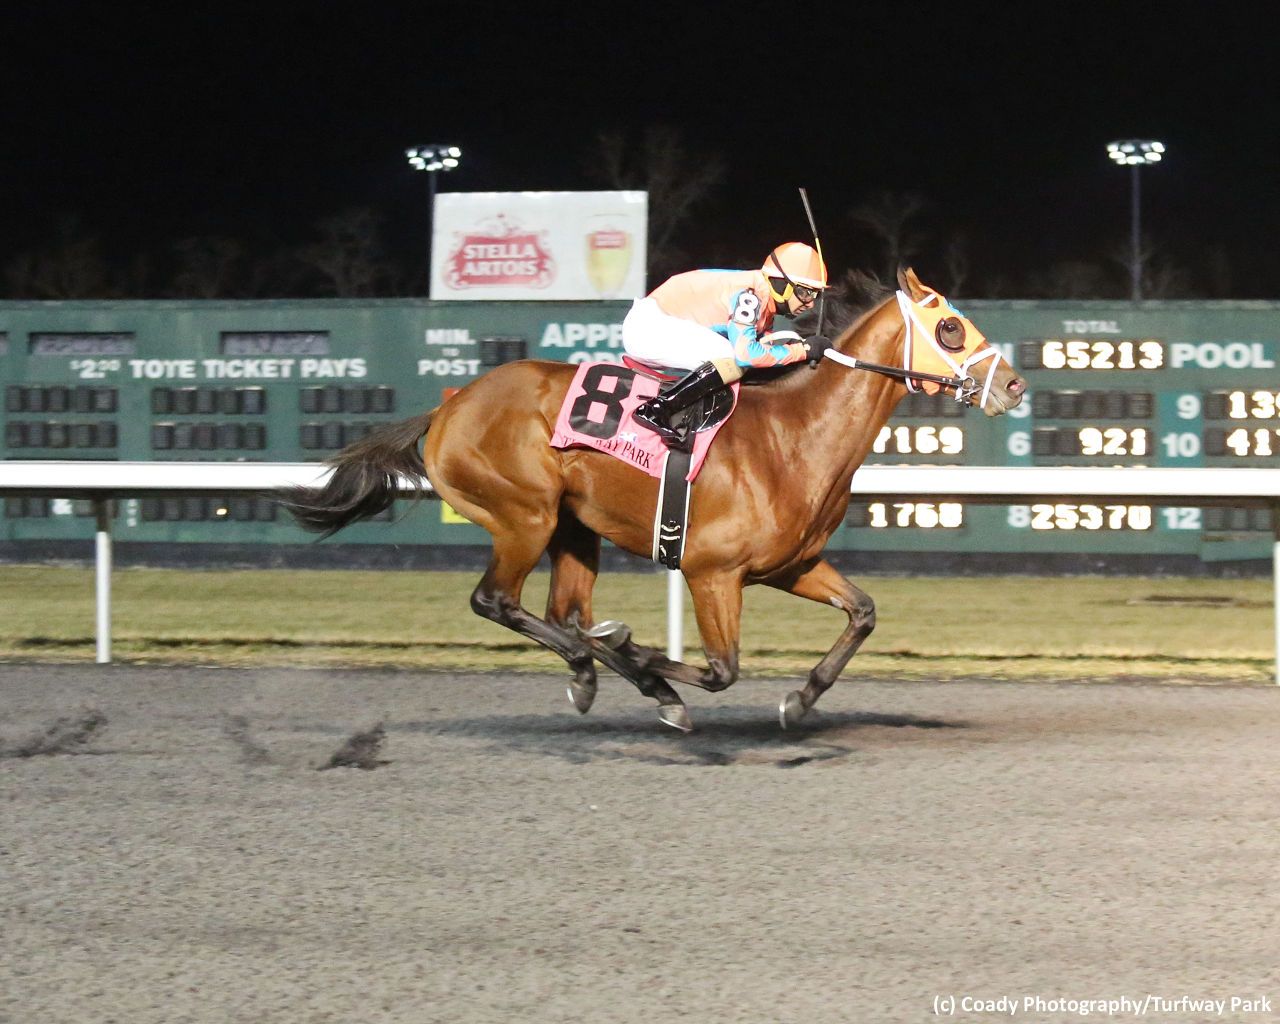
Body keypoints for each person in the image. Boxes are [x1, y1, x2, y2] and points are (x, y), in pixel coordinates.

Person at [622, 242, 830, 442]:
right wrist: (802, 350)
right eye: (805, 292)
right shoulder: (751, 295)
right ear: (781, 284)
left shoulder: (765, 307)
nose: (811, 303)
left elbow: (766, 354)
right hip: (648, 327)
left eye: (815, 295)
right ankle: (657, 410)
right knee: (730, 358)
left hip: (656, 325)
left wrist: (800, 352)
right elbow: (747, 355)